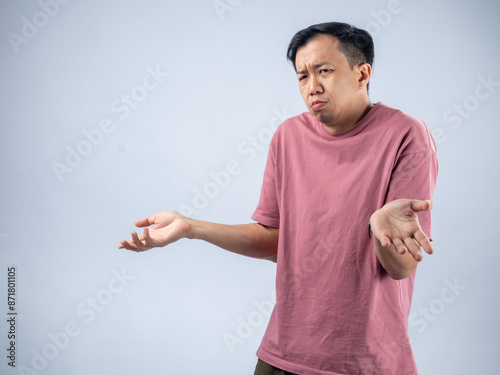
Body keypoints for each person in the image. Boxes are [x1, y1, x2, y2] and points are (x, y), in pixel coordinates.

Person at [118, 22, 438, 375]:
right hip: (281, 356)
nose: (312, 87)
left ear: (362, 74)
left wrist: (380, 230)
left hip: (363, 362)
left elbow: (402, 266)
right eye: (302, 76)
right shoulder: (288, 137)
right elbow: (274, 240)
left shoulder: (406, 134)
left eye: (324, 71)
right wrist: (191, 227)